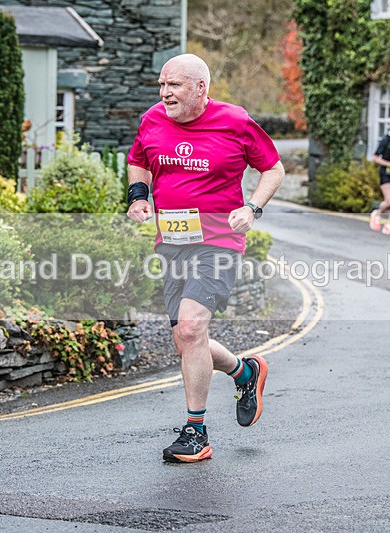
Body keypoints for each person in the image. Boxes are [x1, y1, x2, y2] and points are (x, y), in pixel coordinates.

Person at [126, 54, 285, 463]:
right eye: (161, 86)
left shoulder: (235, 121)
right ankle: (245, 372)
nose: (164, 94)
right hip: (173, 241)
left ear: (200, 88)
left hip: (218, 242)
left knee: (193, 326)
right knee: (185, 338)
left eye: (174, 86)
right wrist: (139, 197)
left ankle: (196, 432)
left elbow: (274, 169)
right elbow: (138, 161)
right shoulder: (152, 119)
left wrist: (252, 208)